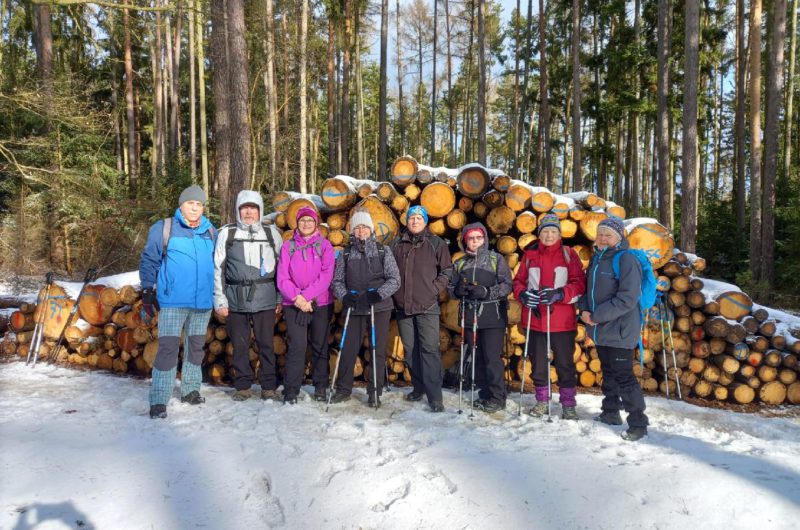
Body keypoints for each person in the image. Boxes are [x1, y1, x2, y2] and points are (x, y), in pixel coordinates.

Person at [140, 184, 217, 419]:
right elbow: (150, 259)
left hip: (202, 302)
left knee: (196, 347)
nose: (194, 208)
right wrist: (147, 289)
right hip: (173, 300)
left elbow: (218, 264)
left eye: (199, 204)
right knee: (168, 349)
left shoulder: (210, 231)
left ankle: (190, 390)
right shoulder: (165, 227)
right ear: (181, 205)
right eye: (190, 203)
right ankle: (159, 399)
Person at [578, 216, 649, 441]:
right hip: (601, 328)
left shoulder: (626, 259)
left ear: (619, 237)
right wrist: (584, 310)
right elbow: (587, 291)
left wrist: (596, 316)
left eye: (608, 235)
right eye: (600, 234)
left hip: (620, 328)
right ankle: (610, 412)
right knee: (608, 371)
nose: (602, 238)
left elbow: (628, 298)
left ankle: (638, 423)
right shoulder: (597, 259)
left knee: (624, 376)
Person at [513, 213, 586, 419]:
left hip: (562, 321)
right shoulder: (530, 255)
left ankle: (568, 404)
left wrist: (560, 294)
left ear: (559, 234)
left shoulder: (569, 255)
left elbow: (579, 283)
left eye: (553, 231)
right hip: (535, 320)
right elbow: (518, 281)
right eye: (545, 231)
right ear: (539, 234)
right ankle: (542, 401)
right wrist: (523, 294)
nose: (549, 235)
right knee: (538, 365)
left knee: (565, 364)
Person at [213, 190, 283, 402]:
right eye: (245, 208)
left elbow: (282, 269)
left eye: (253, 208)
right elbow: (218, 269)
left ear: (260, 211)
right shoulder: (228, 233)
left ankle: (268, 386)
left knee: (266, 344)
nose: (249, 212)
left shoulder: (271, 234)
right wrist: (220, 299)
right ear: (238, 210)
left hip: (265, 298)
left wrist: (279, 298)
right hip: (236, 298)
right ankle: (243, 385)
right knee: (240, 344)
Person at [330, 208, 400, 407]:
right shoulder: (345, 253)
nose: (361, 231)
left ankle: (374, 391)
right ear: (352, 230)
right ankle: (343, 389)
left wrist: (379, 294)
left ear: (371, 229)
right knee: (349, 348)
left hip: (378, 306)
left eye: (364, 227)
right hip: (354, 305)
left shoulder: (382, 251)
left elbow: (395, 279)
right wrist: (345, 296)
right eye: (357, 227)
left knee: (377, 349)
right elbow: (337, 281)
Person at [391, 205, 452, 413]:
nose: (415, 221)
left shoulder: (436, 243)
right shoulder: (397, 244)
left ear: (425, 221)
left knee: (429, 349)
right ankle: (418, 388)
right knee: (410, 350)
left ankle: (435, 397)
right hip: (403, 307)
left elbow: (447, 270)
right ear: (406, 221)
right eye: (412, 218)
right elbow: (389, 270)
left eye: (419, 218)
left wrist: (433, 289)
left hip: (427, 306)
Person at [448, 222, 513, 414]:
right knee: (477, 357)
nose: (475, 241)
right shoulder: (460, 263)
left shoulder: (495, 259)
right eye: (471, 238)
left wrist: (486, 292)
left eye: (478, 237)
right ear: (465, 240)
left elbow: (507, 285)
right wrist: (457, 291)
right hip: (470, 316)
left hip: (493, 316)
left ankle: (497, 397)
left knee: (492, 358)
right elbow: (450, 288)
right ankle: (485, 393)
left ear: (484, 239)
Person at [277, 206, 336, 403]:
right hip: (294, 304)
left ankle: (321, 386)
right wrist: (298, 298)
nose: (306, 223)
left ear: (316, 223)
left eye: (310, 220)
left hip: (320, 303)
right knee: (297, 345)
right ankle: (291, 389)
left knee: (320, 345)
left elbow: (326, 275)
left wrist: (307, 296)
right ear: (297, 223)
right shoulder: (288, 246)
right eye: (302, 220)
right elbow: (282, 277)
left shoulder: (325, 245)